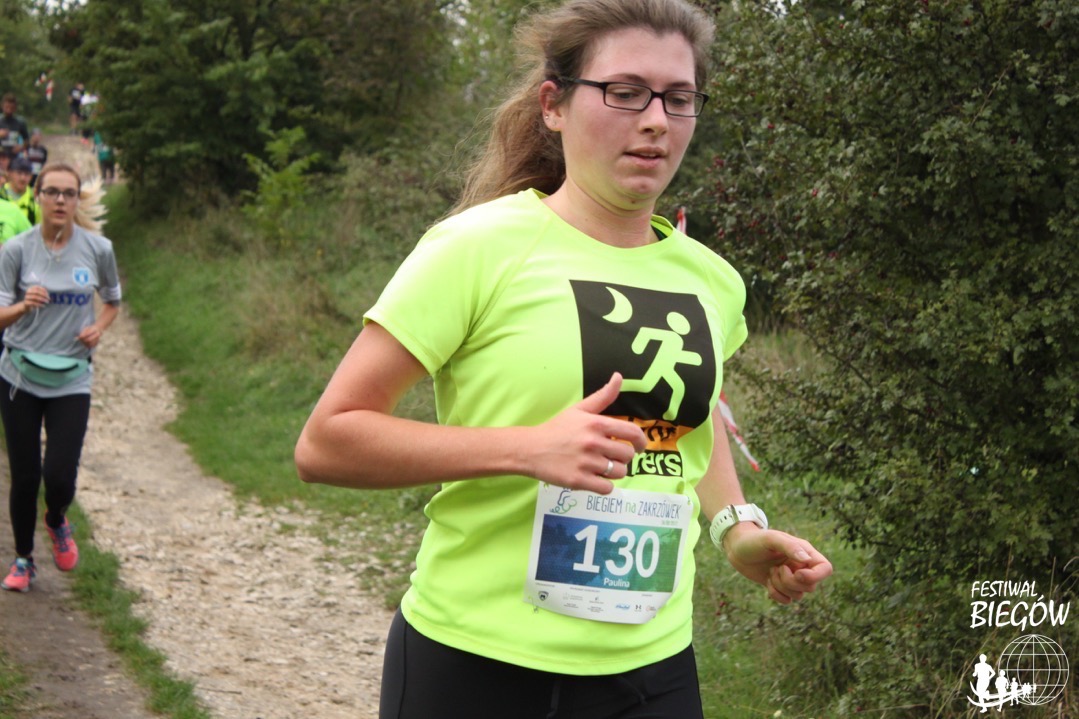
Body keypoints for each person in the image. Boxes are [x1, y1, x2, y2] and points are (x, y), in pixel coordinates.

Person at [295, 1, 832, 717]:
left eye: (678, 98)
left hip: (653, 667)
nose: (656, 120)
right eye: (625, 92)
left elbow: (684, 426)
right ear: (554, 105)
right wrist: (527, 449)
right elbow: (327, 442)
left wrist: (737, 529)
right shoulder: (476, 248)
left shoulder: (713, 281)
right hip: (475, 660)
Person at [0, 162, 120, 593]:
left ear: (76, 200)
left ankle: (55, 519)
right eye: (51, 192)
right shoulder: (16, 250)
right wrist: (23, 306)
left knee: (60, 475)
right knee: (25, 474)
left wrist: (98, 328)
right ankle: (23, 560)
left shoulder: (98, 249)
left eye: (69, 193)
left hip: (71, 378)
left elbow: (112, 301)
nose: (60, 200)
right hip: (19, 374)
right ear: (37, 197)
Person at [3, 157, 40, 225]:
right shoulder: (1, 194)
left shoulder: (36, 200)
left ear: (31, 176)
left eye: (27, 174)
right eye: (19, 173)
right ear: (9, 173)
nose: (23, 178)